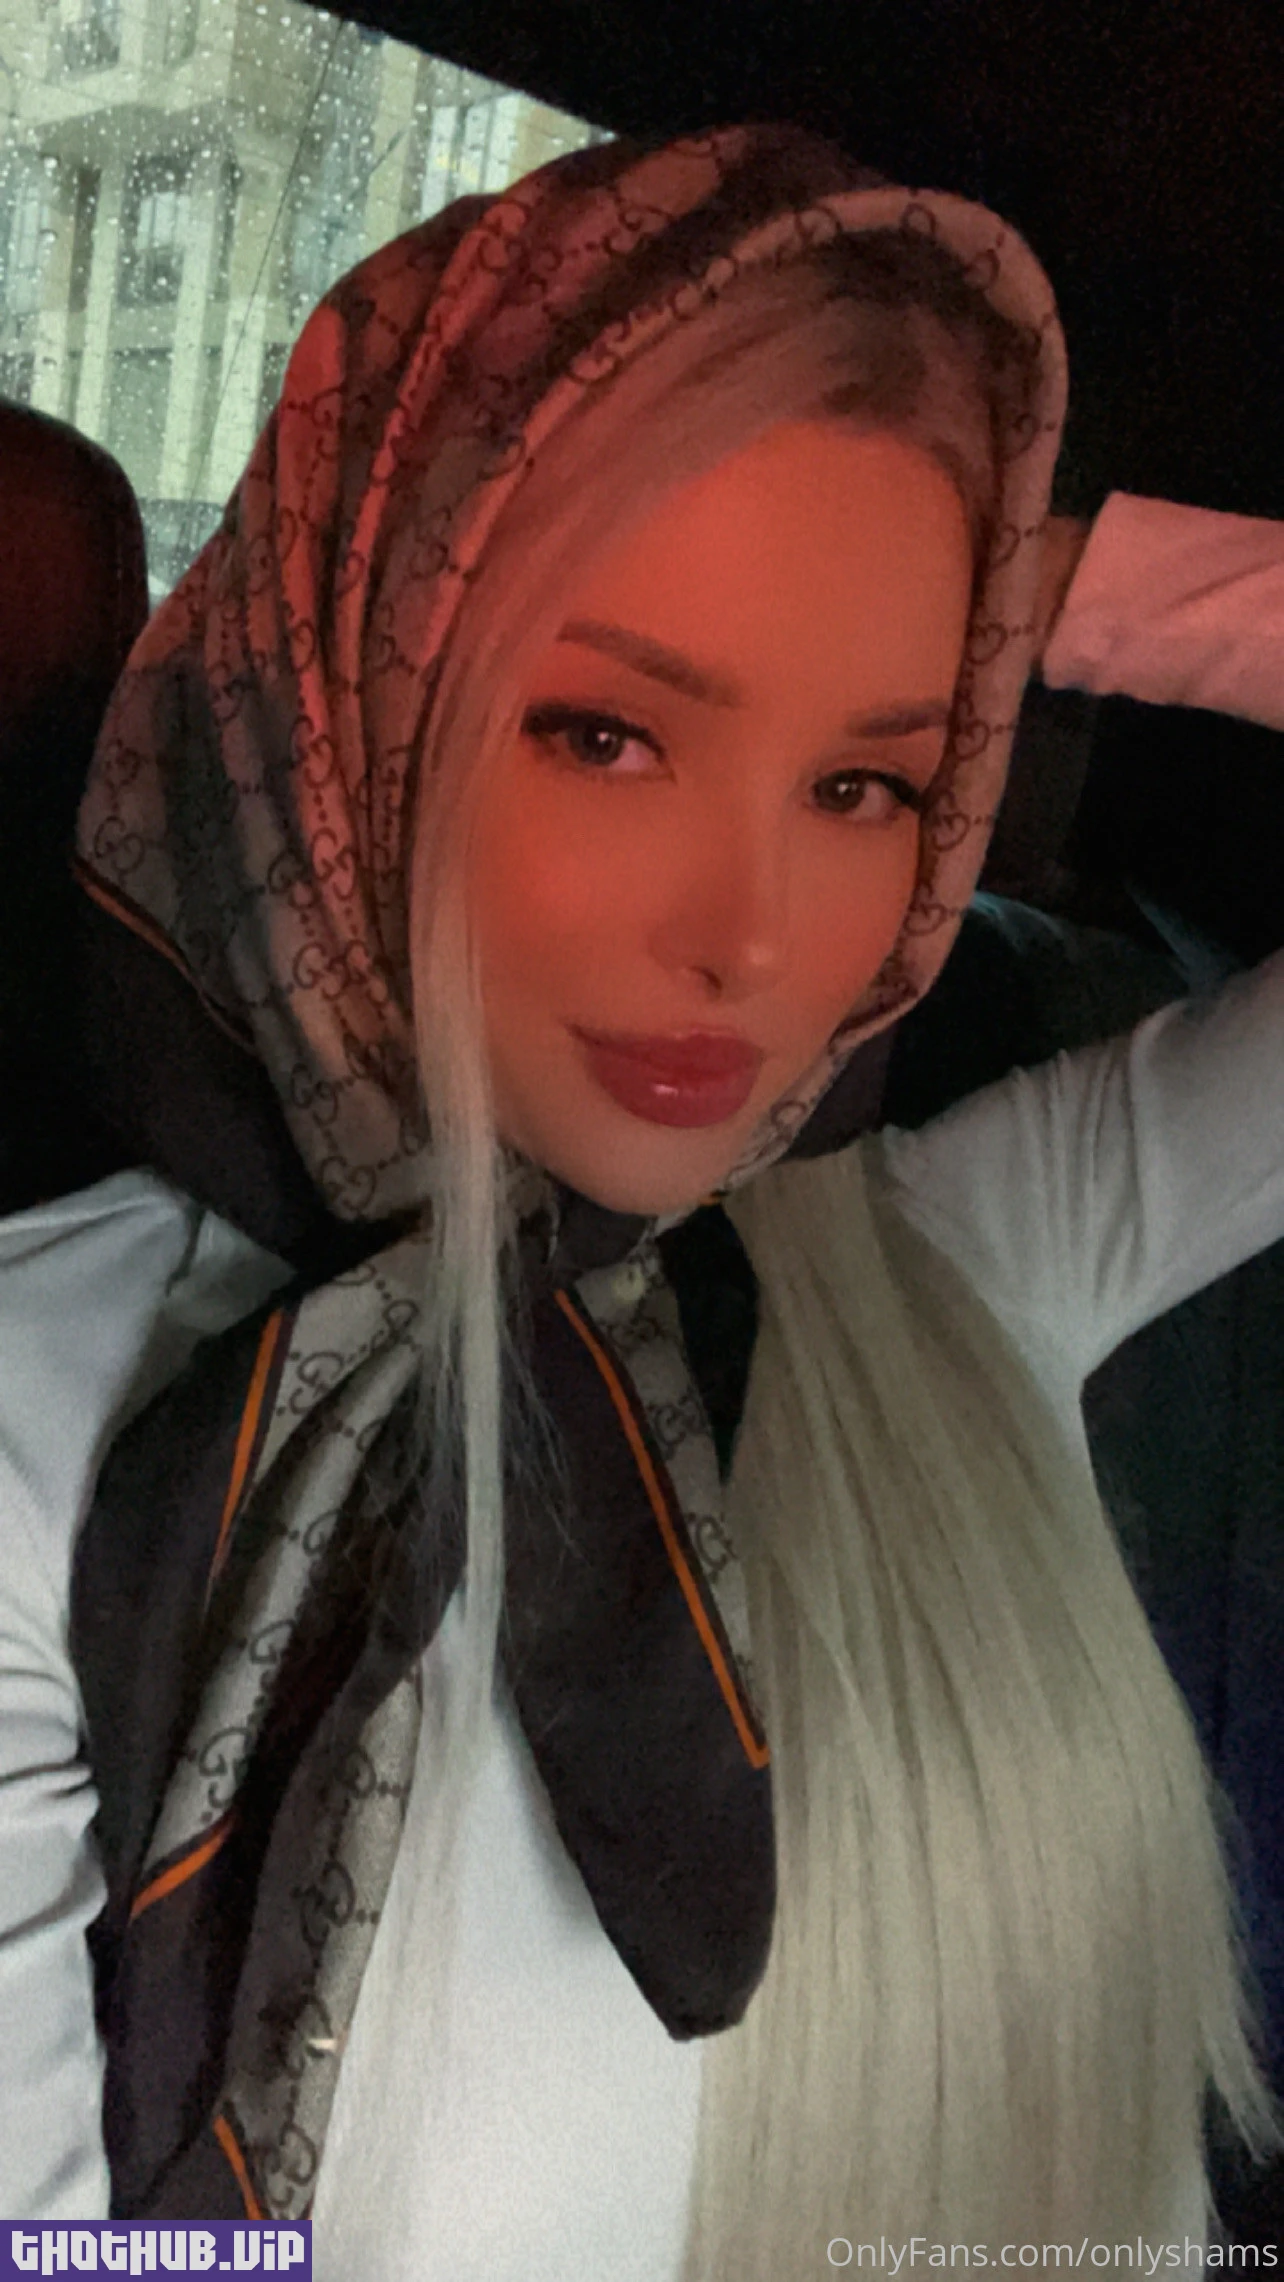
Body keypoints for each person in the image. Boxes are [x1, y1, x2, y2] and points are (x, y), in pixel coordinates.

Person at [1, 122, 1283, 2275]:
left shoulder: (969, 1256)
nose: (758, 937)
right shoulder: (39, 1433)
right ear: (353, 680)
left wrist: (1050, 583)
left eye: (867, 778)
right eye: (607, 733)